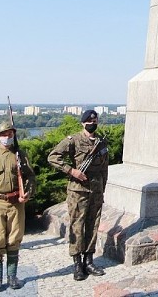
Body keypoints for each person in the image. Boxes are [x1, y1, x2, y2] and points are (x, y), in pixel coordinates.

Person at [48, 109, 109, 281]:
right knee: (77, 226)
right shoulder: (73, 140)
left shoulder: (101, 144)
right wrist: (71, 171)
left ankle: (88, 261)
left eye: (95, 121)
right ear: (83, 123)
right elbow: (53, 157)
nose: (92, 124)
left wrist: (102, 188)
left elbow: (104, 168)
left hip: (96, 189)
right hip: (78, 190)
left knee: (93, 225)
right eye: (89, 122)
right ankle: (77, 264)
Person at [0, 121, 36, 292]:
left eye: (10, 134)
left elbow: (31, 178)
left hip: (16, 203)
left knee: (14, 239)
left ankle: (12, 277)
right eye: (4, 134)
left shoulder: (20, 155)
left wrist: (28, 193)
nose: (7, 137)